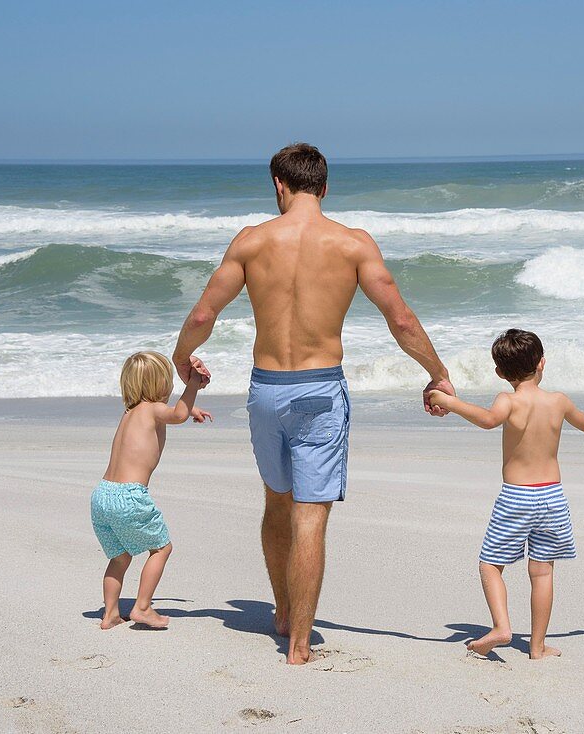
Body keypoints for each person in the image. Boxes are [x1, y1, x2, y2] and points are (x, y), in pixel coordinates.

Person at [172, 143, 454, 664]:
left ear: (278, 185)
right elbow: (402, 320)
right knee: (311, 516)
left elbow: (202, 316)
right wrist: (437, 373)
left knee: (277, 500)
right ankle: (300, 643)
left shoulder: (252, 242)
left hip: (266, 389)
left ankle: (282, 611)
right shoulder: (352, 244)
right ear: (325, 187)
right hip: (320, 391)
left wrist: (181, 359)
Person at [428, 329, 584, 659]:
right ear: (542, 363)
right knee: (542, 572)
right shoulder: (558, 401)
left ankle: (501, 627)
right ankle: (537, 647)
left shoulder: (507, 400)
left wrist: (449, 402)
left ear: (499, 373)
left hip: (516, 497)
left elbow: (487, 421)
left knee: (490, 565)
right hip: (553, 497)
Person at [92, 351, 212, 630]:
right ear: (160, 385)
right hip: (129, 496)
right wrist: (192, 384)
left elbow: (174, 414)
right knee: (161, 548)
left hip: (102, 495)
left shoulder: (131, 413)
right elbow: (176, 414)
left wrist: (190, 408)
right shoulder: (153, 410)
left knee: (120, 557)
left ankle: (110, 614)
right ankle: (143, 607)